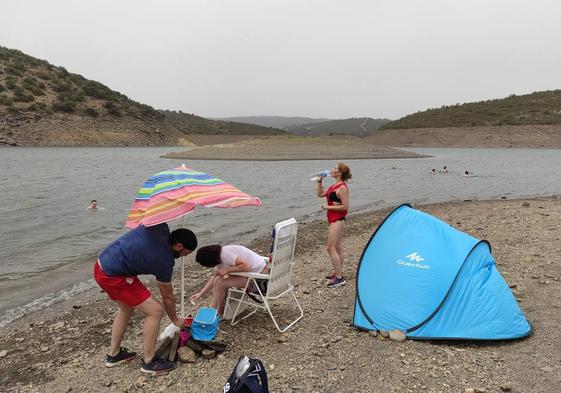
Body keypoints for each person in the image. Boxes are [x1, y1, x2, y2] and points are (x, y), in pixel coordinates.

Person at [93, 223, 197, 376]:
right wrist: (175, 320)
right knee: (155, 310)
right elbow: (167, 297)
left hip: (102, 264)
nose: (185, 257)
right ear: (178, 245)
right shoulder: (164, 262)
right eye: (185, 254)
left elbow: (149, 218)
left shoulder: (159, 226)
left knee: (126, 308)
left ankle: (114, 355)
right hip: (113, 275)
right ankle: (149, 362)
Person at [191, 245, 267, 316]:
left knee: (221, 283)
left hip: (260, 281)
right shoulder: (221, 255)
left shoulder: (225, 255)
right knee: (218, 280)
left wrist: (228, 270)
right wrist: (201, 293)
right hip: (254, 275)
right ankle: (213, 310)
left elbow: (247, 267)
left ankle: (219, 313)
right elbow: (215, 277)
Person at [316, 162, 351, 287]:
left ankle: (339, 278)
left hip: (338, 219)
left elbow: (345, 206)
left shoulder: (342, 188)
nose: (332, 169)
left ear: (340, 172)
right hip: (332, 219)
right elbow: (319, 194)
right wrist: (320, 181)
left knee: (330, 248)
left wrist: (327, 207)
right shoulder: (333, 186)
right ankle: (338, 272)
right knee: (338, 247)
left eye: (335, 168)